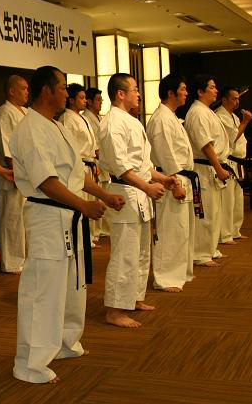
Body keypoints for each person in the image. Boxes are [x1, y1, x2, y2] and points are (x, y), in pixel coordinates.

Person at [11, 66, 123, 384]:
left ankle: (65, 342)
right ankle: (30, 363)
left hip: (70, 214)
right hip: (48, 216)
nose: (67, 93)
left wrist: (103, 195)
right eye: (62, 87)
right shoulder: (30, 129)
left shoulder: (56, 126)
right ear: (46, 91)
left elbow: (75, 174)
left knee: (72, 286)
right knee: (43, 290)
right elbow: (46, 181)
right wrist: (83, 206)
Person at [99, 73, 175, 328]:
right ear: (121, 94)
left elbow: (142, 166)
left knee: (142, 251)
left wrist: (162, 179)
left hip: (139, 191)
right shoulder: (112, 123)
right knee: (124, 254)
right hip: (124, 192)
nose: (139, 94)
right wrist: (147, 187)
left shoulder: (132, 121)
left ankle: (133, 298)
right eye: (134, 89)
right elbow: (121, 167)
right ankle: (115, 310)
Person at [146, 74, 197, 292]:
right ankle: (165, 277)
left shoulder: (171, 117)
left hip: (180, 177)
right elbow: (165, 153)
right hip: (169, 178)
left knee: (182, 230)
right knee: (170, 230)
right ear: (170, 93)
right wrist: (174, 183)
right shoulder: (161, 119)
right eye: (182, 89)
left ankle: (179, 272)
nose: (186, 93)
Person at [184, 75, 231, 267]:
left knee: (215, 212)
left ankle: (210, 249)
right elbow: (205, 144)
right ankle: (201, 253)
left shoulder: (206, 111)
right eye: (211, 87)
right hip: (204, 167)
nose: (216, 90)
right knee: (206, 213)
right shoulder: (197, 112)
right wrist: (218, 167)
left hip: (212, 166)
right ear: (200, 91)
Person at [0, 74, 29, 273]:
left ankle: (24, 258)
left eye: (27, 89)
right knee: (12, 219)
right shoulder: (4, 112)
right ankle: (11, 262)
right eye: (23, 88)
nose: (27, 92)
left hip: (28, 174)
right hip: (12, 174)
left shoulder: (25, 112)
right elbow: (6, 146)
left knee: (24, 220)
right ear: (12, 91)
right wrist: (15, 172)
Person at [60, 84, 100, 246]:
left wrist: (95, 163)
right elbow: (68, 147)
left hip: (89, 163)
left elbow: (92, 144)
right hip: (79, 165)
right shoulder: (67, 119)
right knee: (81, 202)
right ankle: (82, 238)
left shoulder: (83, 117)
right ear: (71, 100)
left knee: (90, 202)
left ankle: (89, 236)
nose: (84, 101)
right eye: (81, 98)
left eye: (85, 98)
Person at [216, 87, 252, 242]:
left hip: (238, 162)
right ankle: (225, 234)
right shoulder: (220, 116)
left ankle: (235, 230)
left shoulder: (235, 117)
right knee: (228, 200)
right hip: (228, 161)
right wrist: (245, 122)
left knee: (237, 199)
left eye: (238, 98)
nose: (237, 102)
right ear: (224, 100)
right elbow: (232, 138)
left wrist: (242, 121)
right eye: (234, 98)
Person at [83, 87, 110, 240]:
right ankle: (93, 233)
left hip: (102, 160)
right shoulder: (86, 117)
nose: (101, 103)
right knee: (94, 197)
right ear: (89, 101)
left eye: (101, 100)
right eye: (98, 100)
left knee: (102, 196)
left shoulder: (97, 118)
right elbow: (94, 146)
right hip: (94, 160)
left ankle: (100, 230)